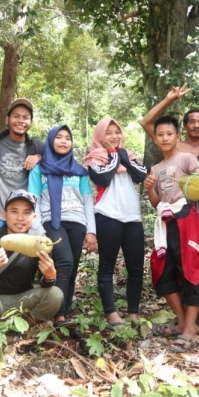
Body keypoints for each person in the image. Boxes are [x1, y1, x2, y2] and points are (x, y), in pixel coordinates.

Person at [144, 116, 199, 352]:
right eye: (160, 135)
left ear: (178, 136)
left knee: (190, 270)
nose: (165, 138)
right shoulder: (156, 168)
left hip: (186, 217)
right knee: (163, 271)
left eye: (169, 133)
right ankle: (182, 321)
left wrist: (193, 177)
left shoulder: (186, 158)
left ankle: (190, 328)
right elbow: (155, 202)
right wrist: (150, 187)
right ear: (156, 140)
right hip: (165, 222)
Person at [28, 125, 97, 325]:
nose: (64, 141)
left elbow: (87, 202)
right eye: (59, 137)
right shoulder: (39, 169)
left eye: (68, 138)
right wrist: (37, 229)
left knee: (72, 266)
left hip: (77, 222)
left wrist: (91, 231)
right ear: (50, 141)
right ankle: (56, 313)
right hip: (51, 221)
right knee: (64, 262)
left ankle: (62, 311)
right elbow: (34, 200)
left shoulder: (79, 171)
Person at [0, 190, 63, 322]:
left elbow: (46, 283)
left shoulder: (40, 241)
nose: (20, 218)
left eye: (26, 212)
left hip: (23, 302)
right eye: (14, 211)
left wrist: (50, 275)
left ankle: (26, 330)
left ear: (34, 217)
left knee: (55, 294)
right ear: (4, 215)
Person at [84, 118, 148, 326]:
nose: (114, 136)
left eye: (117, 132)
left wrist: (123, 158)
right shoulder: (95, 158)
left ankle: (133, 314)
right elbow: (102, 178)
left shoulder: (129, 156)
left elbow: (141, 175)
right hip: (107, 215)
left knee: (136, 268)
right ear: (100, 137)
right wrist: (113, 155)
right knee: (106, 267)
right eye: (108, 133)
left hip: (132, 218)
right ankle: (111, 313)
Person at [0, 98, 44, 230]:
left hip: (24, 217)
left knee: (23, 250)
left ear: (31, 122)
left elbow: (57, 160)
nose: (21, 121)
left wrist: (40, 156)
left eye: (26, 117)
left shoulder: (37, 146)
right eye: (16, 116)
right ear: (7, 119)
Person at [140, 83, 199, 157]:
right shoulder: (172, 144)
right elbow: (145, 122)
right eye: (192, 122)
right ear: (184, 125)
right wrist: (168, 100)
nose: (196, 126)